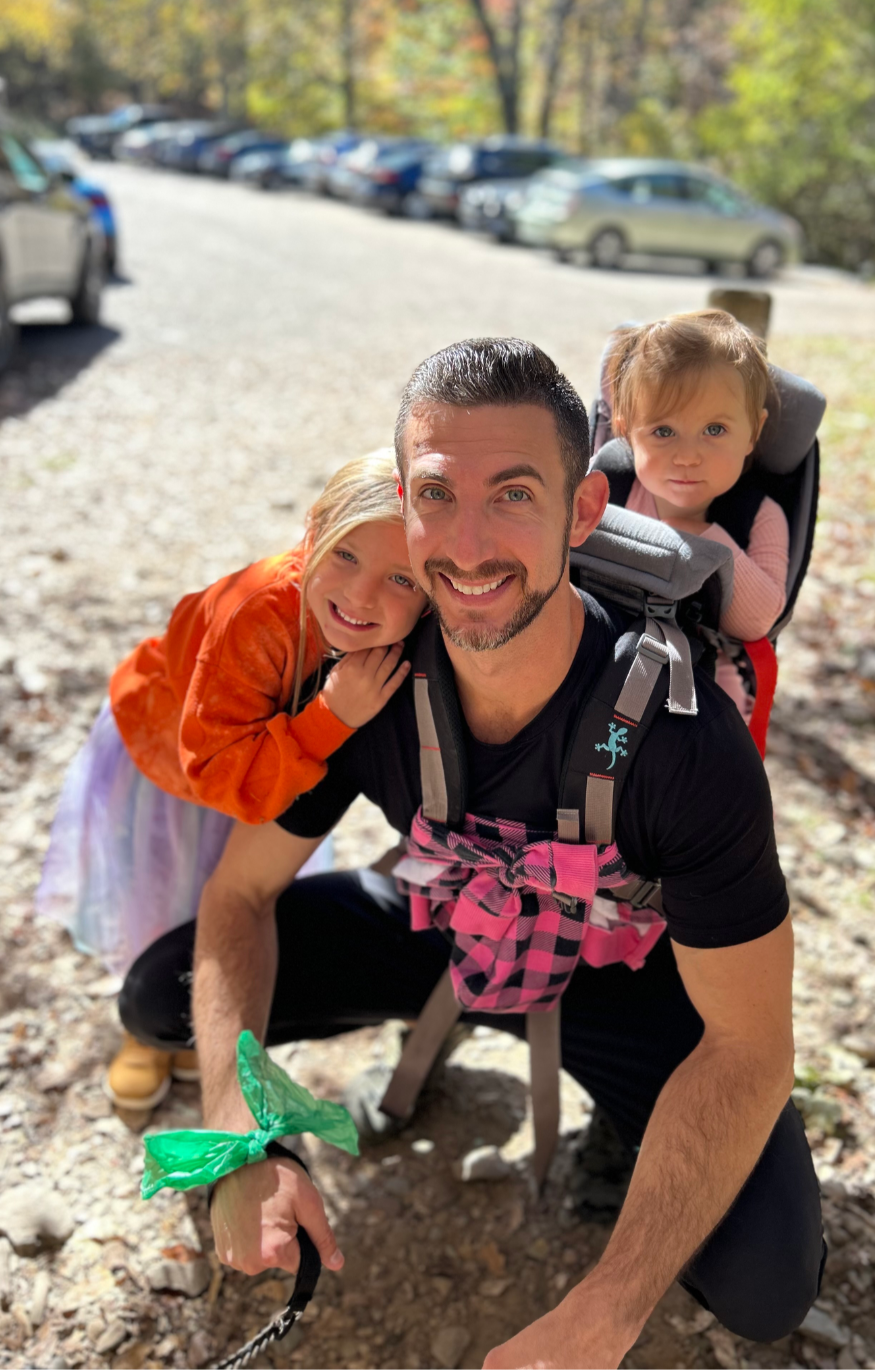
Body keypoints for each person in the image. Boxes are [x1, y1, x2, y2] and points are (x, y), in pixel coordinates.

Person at [118, 338, 822, 1369]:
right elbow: (243, 895)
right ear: (403, 503)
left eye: (515, 495)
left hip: (621, 978)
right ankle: (342, 1112)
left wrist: (606, 1310)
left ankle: (625, 1131)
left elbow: (751, 1046)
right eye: (438, 495)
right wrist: (238, 1134)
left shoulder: (683, 743)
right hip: (446, 928)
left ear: (584, 510)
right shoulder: (368, 685)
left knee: (766, 1284)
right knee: (160, 994)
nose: (470, 543)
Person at [37, 450, 424, 1109]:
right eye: (346, 555)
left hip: (260, 768)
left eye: (402, 579)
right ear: (314, 530)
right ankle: (146, 1032)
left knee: (233, 888)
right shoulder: (259, 616)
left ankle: (196, 1025)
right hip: (177, 768)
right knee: (162, 896)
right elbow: (218, 774)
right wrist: (332, 718)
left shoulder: (348, 616)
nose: (362, 595)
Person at [607, 309, 789, 716]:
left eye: (714, 430)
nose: (688, 456)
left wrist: (701, 536)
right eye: (664, 431)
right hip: (604, 662)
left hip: (699, 689)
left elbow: (758, 621)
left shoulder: (757, 516)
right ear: (627, 430)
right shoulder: (608, 490)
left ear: (753, 432)